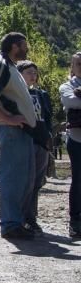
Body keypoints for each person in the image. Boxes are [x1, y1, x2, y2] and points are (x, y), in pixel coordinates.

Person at [0, 33, 37, 240]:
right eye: (24, 45)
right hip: (12, 130)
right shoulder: (1, 64)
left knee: (25, 178)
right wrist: (8, 118)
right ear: (14, 46)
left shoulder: (9, 65)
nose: (26, 49)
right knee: (13, 178)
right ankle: (11, 224)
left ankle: (16, 221)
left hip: (22, 130)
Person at [17, 61, 52, 237]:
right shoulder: (16, 93)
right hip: (25, 140)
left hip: (41, 141)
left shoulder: (42, 94)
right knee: (26, 182)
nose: (33, 76)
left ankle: (32, 218)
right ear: (20, 74)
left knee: (37, 182)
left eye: (34, 73)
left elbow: (48, 117)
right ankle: (22, 218)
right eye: (29, 72)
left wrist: (48, 137)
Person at [58, 51, 81, 239]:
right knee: (78, 181)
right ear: (72, 67)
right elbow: (70, 101)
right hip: (77, 140)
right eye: (79, 64)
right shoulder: (66, 86)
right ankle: (75, 222)